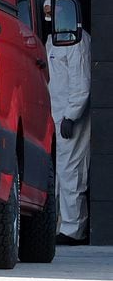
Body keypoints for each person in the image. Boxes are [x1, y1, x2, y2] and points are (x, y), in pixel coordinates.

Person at [49, 19, 93, 245]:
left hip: (68, 118)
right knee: (60, 173)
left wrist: (71, 115)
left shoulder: (77, 40)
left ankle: (73, 229)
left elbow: (81, 81)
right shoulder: (53, 40)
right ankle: (60, 225)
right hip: (56, 117)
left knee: (71, 172)